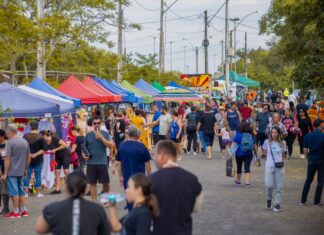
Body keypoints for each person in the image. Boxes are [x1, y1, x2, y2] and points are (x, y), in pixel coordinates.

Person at [151, 140, 203, 235]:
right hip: (184, 231)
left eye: (155, 155)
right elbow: (196, 207)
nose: (154, 158)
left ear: (162, 155)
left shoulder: (151, 180)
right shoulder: (192, 179)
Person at [35, 171, 111, 235]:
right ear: (86, 188)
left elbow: (40, 229)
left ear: (66, 188)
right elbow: (106, 232)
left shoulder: (52, 208)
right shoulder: (97, 210)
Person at [116, 126, 152, 210]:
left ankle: (131, 216)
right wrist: (149, 176)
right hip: (140, 177)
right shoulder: (142, 146)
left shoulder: (121, 146)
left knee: (130, 199)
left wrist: (121, 176)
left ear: (128, 134)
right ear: (137, 135)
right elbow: (147, 163)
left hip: (127, 178)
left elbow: (118, 163)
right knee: (141, 198)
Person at [1, 126, 30, 218]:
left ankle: (16, 212)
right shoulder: (24, 141)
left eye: (7, 134)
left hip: (12, 171)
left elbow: (7, 158)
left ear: (9, 133)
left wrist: (5, 173)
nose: (6, 135)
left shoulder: (10, 142)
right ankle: (24, 211)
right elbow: (28, 156)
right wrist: (25, 169)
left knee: (14, 192)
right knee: (21, 191)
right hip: (21, 170)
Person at [84, 116, 115, 201]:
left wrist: (101, 138)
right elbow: (84, 147)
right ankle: (94, 202)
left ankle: (106, 198)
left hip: (102, 161)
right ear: (92, 124)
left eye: (98, 123)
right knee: (92, 183)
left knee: (105, 183)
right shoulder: (88, 135)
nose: (97, 125)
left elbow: (111, 145)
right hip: (91, 162)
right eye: (95, 123)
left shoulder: (105, 133)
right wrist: (84, 154)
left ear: (101, 123)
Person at [300, 119, 324, 206]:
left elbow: (305, 149)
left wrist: (307, 158)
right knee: (320, 181)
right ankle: (316, 201)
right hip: (321, 160)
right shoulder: (323, 135)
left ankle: (303, 200)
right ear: (321, 125)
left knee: (308, 180)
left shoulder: (308, 135)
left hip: (311, 159)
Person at [263, 126, 286, 212]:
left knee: (279, 186)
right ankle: (269, 198)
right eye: (272, 132)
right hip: (269, 166)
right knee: (268, 185)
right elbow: (265, 152)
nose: (273, 134)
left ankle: (277, 204)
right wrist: (269, 161)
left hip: (279, 166)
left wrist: (280, 162)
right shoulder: (267, 142)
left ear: (278, 133)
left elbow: (283, 154)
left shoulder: (283, 143)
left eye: (275, 132)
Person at [41, 130, 70, 194]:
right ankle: (57, 189)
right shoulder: (45, 142)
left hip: (64, 154)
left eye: (41, 136)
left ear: (45, 135)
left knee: (66, 171)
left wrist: (55, 149)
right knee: (57, 172)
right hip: (56, 157)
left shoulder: (55, 138)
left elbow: (64, 145)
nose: (41, 138)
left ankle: (71, 187)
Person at [23, 121, 47, 198]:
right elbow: (44, 150)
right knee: (38, 175)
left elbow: (23, 147)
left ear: (30, 127)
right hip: (38, 159)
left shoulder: (25, 136)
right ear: (38, 127)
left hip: (27, 158)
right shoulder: (41, 137)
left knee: (27, 175)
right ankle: (38, 193)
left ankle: (25, 193)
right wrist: (35, 154)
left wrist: (29, 154)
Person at [233, 120, 257, 188]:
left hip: (239, 153)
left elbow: (234, 145)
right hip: (249, 153)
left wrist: (231, 153)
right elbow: (255, 144)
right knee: (247, 167)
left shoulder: (238, 135)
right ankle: (247, 182)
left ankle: (238, 180)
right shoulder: (251, 135)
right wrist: (256, 153)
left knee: (239, 166)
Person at [0, 129, 9, 216]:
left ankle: (6, 208)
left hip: (6, 169)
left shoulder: (8, 144)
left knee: (5, 189)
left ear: (2, 136)